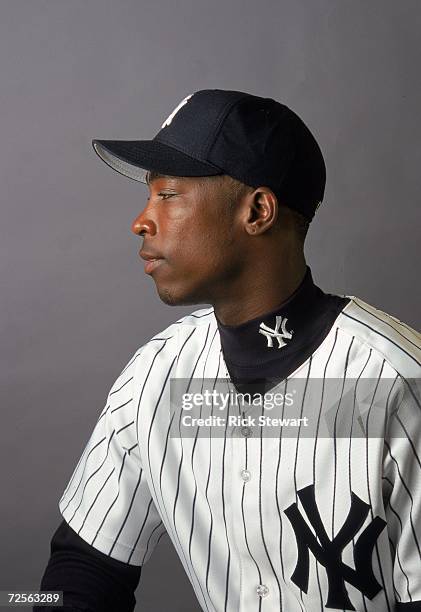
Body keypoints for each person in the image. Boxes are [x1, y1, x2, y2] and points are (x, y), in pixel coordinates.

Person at [35, 89, 421, 612]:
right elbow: (81, 575)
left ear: (257, 210)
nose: (141, 221)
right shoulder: (154, 375)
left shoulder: (397, 380)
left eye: (167, 195)